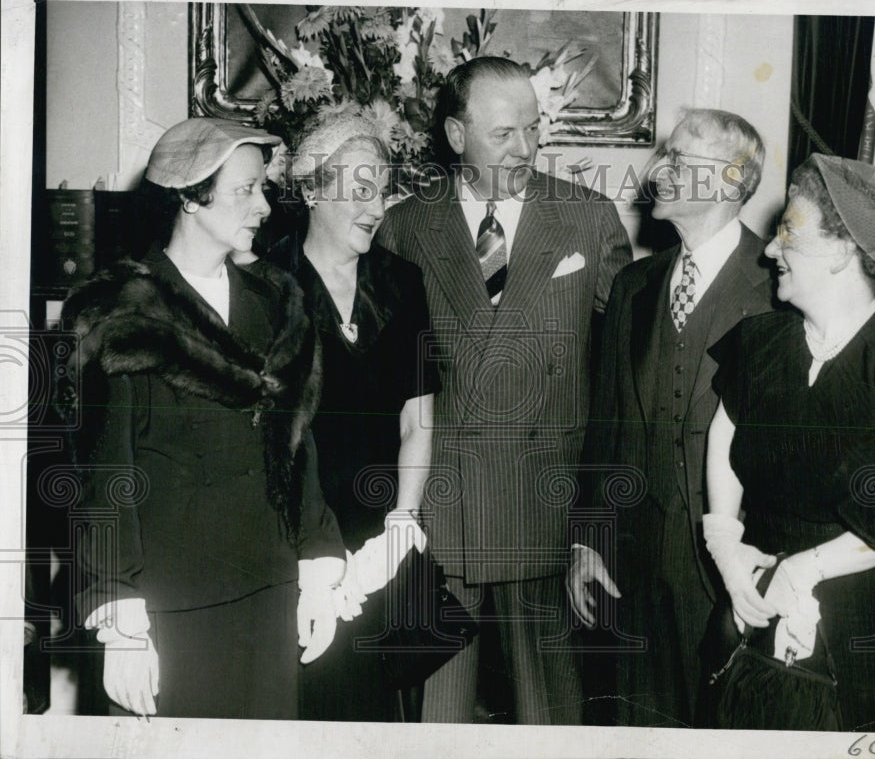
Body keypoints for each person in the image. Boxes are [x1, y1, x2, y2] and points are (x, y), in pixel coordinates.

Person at [57, 117, 347, 719]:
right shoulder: (120, 311)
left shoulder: (277, 301)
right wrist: (121, 622)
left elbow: (296, 443)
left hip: (268, 598)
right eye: (246, 190)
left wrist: (319, 564)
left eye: (262, 188)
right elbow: (103, 477)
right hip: (168, 611)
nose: (264, 206)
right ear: (190, 198)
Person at [375, 56, 632, 725]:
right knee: (438, 718)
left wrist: (596, 518)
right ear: (457, 136)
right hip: (444, 509)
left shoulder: (588, 219)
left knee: (552, 718)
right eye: (502, 134)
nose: (524, 149)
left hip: (546, 505)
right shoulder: (405, 227)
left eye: (532, 129)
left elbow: (622, 376)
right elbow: (383, 387)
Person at [703, 153, 875, 731]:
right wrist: (727, 546)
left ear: (843, 250)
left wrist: (808, 568)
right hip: (760, 609)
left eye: (789, 232)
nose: (770, 249)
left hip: (872, 634)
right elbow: (725, 436)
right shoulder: (759, 341)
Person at [566, 108, 774, 727]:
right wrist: (588, 537)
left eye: (680, 160)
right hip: (629, 568)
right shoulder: (634, 284)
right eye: (665, 154)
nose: (658, 171)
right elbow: (605, 423)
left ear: (732, 181)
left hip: (728, 573)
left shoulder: (776, 286)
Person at [262, 106, 439, 721]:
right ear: (311, 190)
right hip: (297, 534)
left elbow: (419, 420)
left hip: (380, 536)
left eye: (382, 192)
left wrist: (403, 523)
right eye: (359, 191)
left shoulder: (402, 283)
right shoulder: (265, 283)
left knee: (376, 710)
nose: (377, 207)